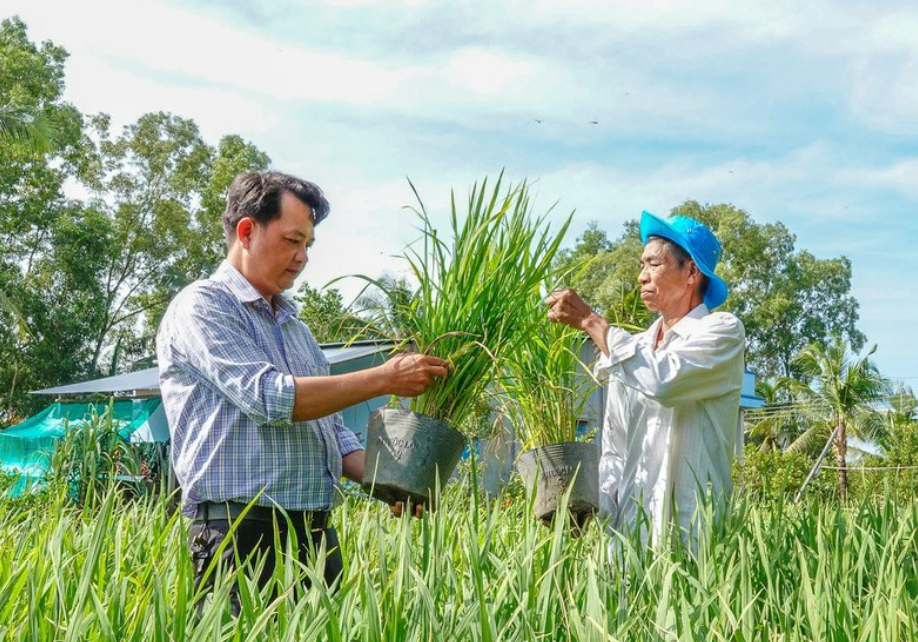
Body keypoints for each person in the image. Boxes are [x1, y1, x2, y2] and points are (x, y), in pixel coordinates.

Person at [156, 171, 448, 611]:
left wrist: (391, 484)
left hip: (314, 534)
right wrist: (385, 378)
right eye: (292, 241)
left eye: (308, 245)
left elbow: (333, 432)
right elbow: (268, 397)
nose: (302, 258)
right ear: (247, 231)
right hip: (242, 531)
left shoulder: (296, 329)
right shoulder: (204, 305)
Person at [545, 211, 745, 549]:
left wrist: (592, 322)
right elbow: (615, 447)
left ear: (691, 271)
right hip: (629, 536)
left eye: (653, 264)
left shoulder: (721, 332)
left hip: (693, 531)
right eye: (641, 265)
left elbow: (664, 381)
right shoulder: (632, 350)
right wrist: (598, 508)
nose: (641, 276)